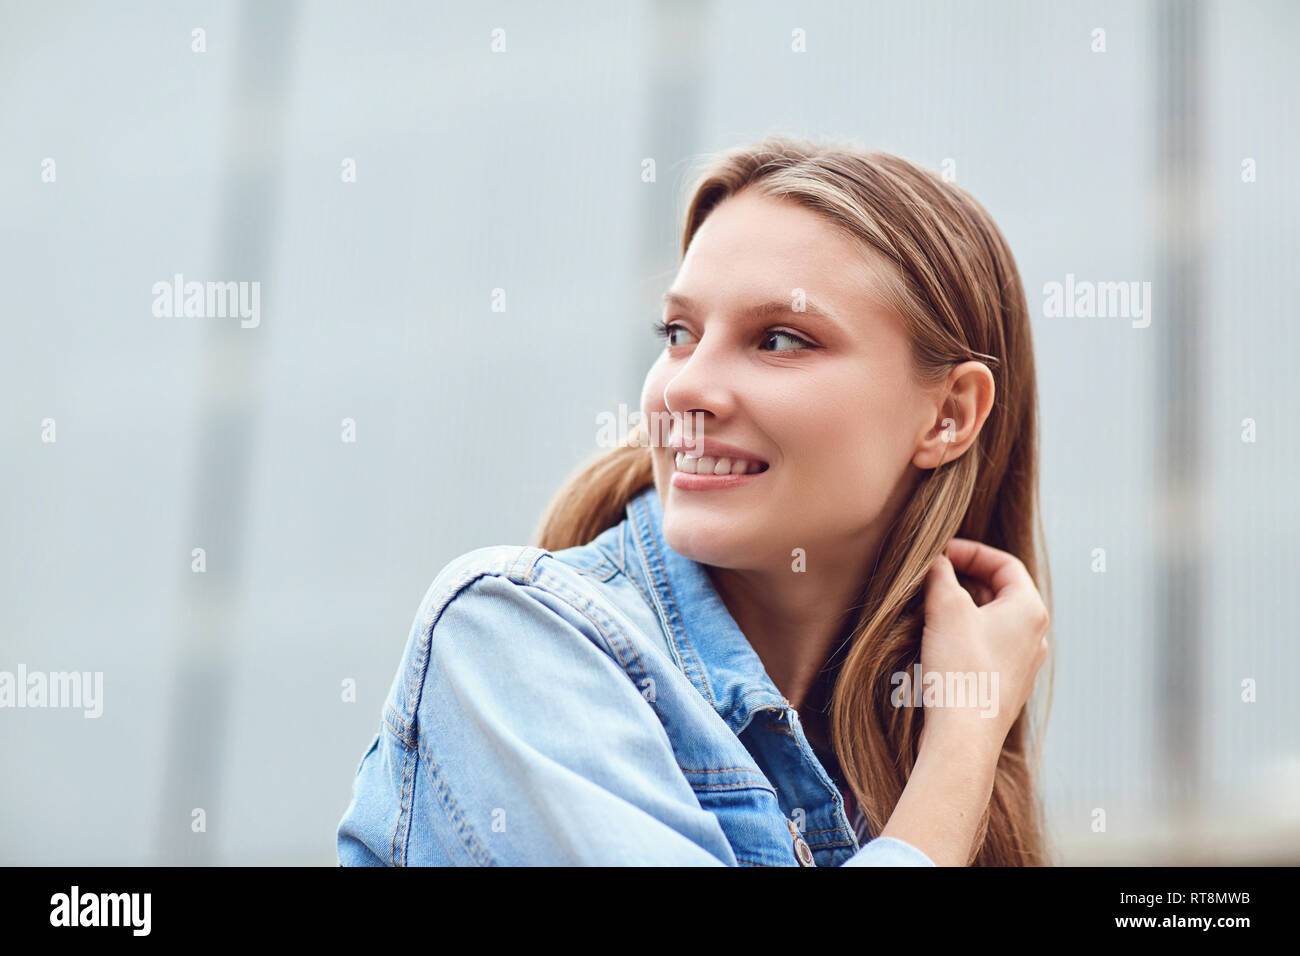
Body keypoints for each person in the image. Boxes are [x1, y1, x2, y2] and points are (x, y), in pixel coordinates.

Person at [337, 136, 1053, 866]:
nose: (681, 390)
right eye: (679, 333)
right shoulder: (505, 642)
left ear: (950, 414)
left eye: (778, 339)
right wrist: (963, 743)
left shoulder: (896, 750)